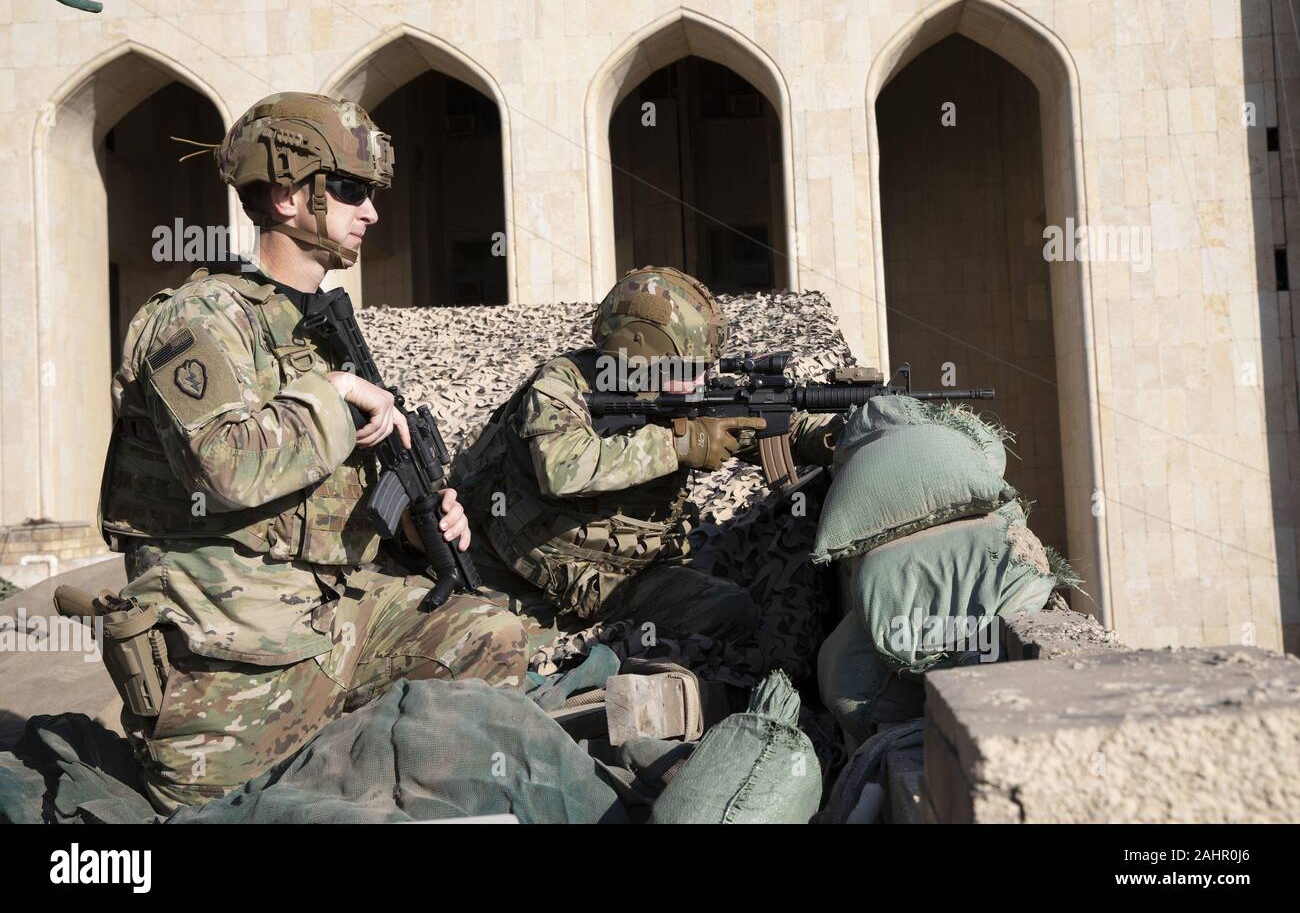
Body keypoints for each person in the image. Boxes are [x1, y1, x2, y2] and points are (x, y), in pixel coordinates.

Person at [97, 92, 528, 812]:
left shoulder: (318, 327)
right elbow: (225, 465)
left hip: (329, 625)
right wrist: (332, 392)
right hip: (232, 664)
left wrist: (421, 525)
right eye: (353, 190)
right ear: (290, 195)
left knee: (489, 632)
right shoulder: (197, 319)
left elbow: (330, 510)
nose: (372, 212)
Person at [454, 266, 843, 647]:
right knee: (730, 611)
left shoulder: (670, 393)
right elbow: (563, 468)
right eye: (687, 368)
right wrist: (678, 444)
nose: (699, 382)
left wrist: (833, 437)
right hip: (530, 578)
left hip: (629, 567)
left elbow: (767, 429)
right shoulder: (562, 383)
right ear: (639, 351)